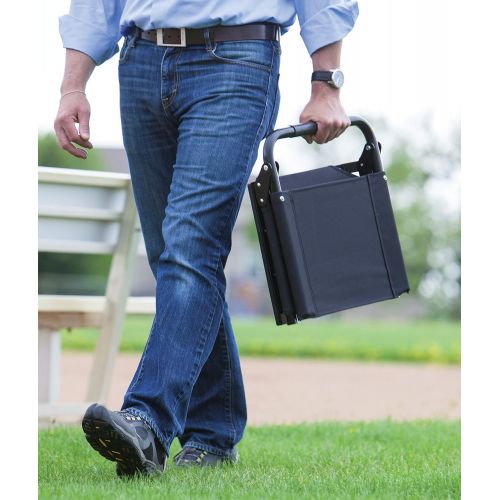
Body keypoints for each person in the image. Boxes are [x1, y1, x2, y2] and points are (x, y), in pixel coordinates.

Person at [55, 0, 359, 476]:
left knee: (190, 249)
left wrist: (327, 82)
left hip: (237, 61)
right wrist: (73, 85)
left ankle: (147, 421)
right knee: (172, 259)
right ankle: (214, 436)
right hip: (140, 64)